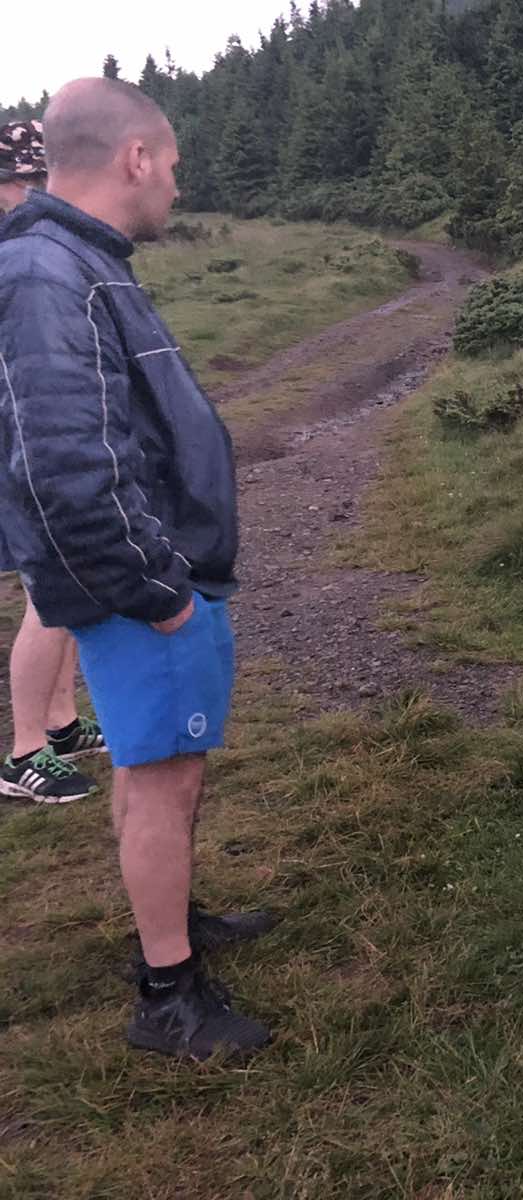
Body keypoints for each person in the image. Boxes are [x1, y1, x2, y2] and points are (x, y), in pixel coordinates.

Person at [0, 78, 273, 1058]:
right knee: (161, 777)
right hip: (145, 585)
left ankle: (174, 918)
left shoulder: (70, 259)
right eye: (173, 162)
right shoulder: (46, 274)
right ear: (134, 159)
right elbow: (68, 465)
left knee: (158, 765)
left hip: (149, 574)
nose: (177, 180)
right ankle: (169, 995)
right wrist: (157, 593)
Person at [0, 119, 106, 805]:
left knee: (65, 586)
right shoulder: (19, 257)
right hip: (22, 443)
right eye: (22, 180)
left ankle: (61, 725)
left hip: (31, 435)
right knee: (51, 586)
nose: (35, 192)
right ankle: (23, 752)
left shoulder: (37, 248)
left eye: (44, 177)